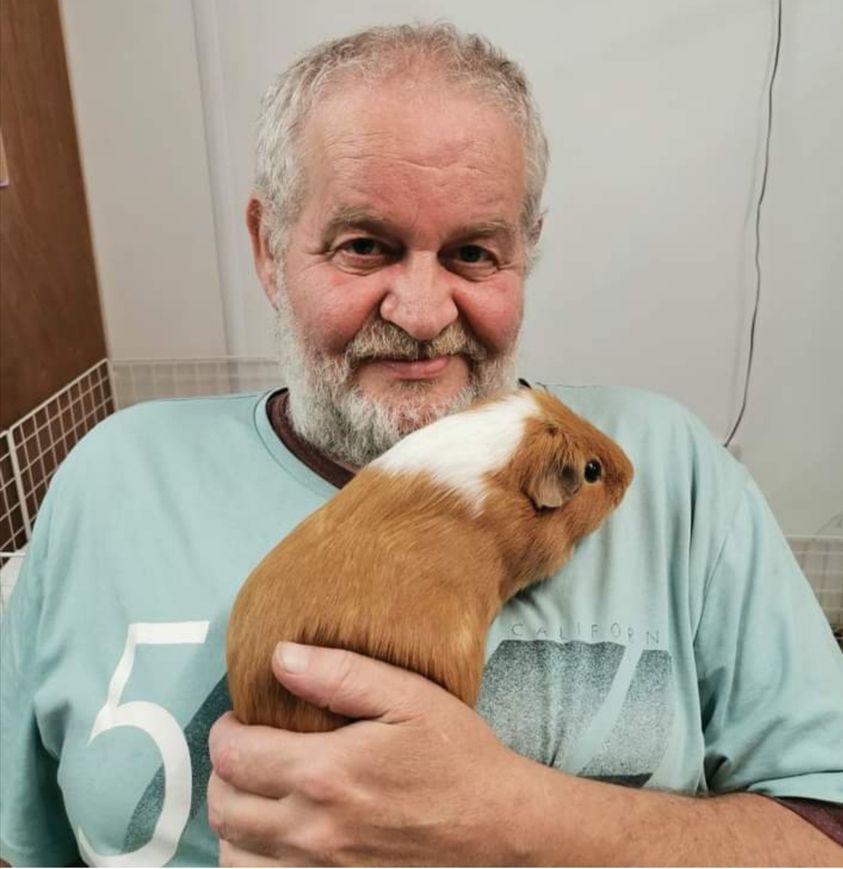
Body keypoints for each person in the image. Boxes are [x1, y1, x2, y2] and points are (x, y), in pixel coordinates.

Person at [1, 22, 841, 867]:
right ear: (267, 248)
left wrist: (519, 823)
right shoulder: (109, 479)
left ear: (524, 254)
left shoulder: (673, 468)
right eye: (364, 246)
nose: (421, 313)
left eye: (473, 253)